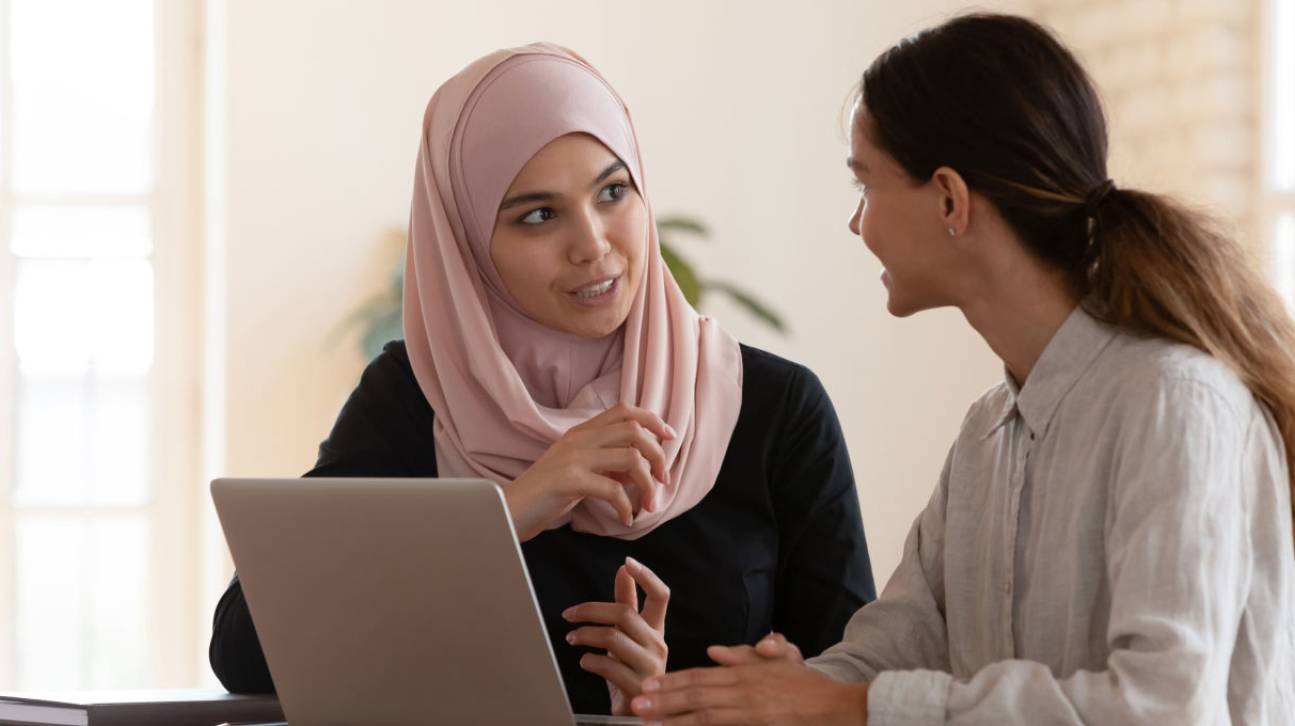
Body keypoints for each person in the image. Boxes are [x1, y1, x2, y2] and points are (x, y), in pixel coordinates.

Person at [631, 13, 1295, 725]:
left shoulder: (1173, 403)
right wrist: (742, 693)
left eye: (865, 187)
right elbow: (893, 649)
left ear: (949, 199)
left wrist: (846, 705)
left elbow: (1162, 707)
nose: (857, 225)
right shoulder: (987, 430)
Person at [208, 43, 876, 716]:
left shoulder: (771, 408)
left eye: (613, 192)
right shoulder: (418, 398)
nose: (593, 244)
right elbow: (244, 650)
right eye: (537, 215)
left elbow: (848, 688)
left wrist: (669, 702)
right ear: (467, 244)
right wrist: (508, 512)